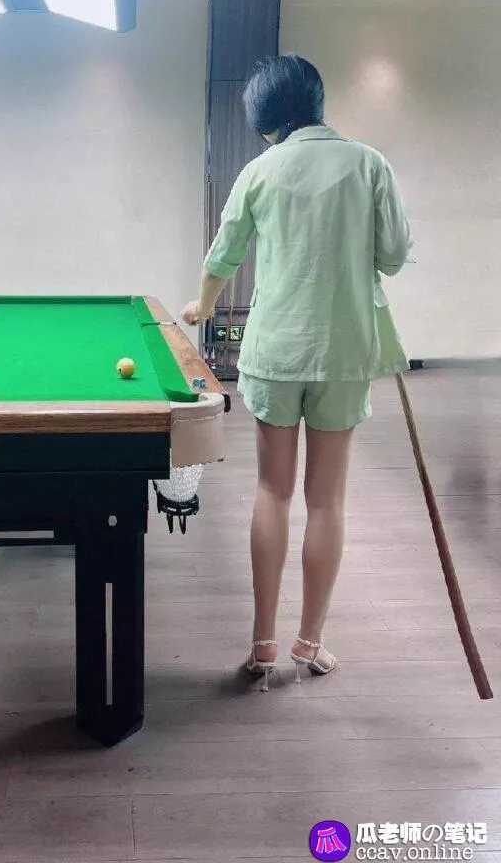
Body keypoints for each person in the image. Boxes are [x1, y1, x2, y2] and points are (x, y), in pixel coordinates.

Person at [181, 53, 412, 687]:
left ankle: (262, 643)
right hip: (343, 352)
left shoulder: (259, 170)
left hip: (275, 353)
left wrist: (202, 306)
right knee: (327, 499)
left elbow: (222, 255)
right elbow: (393, 255)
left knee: (272, 491)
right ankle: (309, 644)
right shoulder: (369, 163)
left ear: (263, 122)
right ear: (317, 104)